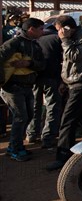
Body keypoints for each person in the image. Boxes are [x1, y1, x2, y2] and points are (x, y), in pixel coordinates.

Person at [46, 15, 82, 171]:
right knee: (81, 114)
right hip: (73, 82)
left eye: (59, 31)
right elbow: (67, 63)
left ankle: (63, 156)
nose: (58, 34)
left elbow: (73, 56)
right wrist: (64, 81)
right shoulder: (73, 38)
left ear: (67, 28)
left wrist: (65, 40)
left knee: (68, 119)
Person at [0, 18, 46, 161]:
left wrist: (29, 63)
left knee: (28, 116)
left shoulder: (35, 45)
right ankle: (14, 148)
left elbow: (42, 65)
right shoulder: (13, 43)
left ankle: (16, 146)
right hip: (12, 87)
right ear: (31, 29)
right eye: (40, 29)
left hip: (27, 87)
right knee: (21, 117)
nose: (42, 32)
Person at [26, 24, 63, 149]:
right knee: (52, 106)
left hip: (34, 77)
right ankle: (48, 138)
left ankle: (31, 134)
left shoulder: (34, 39)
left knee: (35, 105)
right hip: (52, 77)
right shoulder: (56, 39)